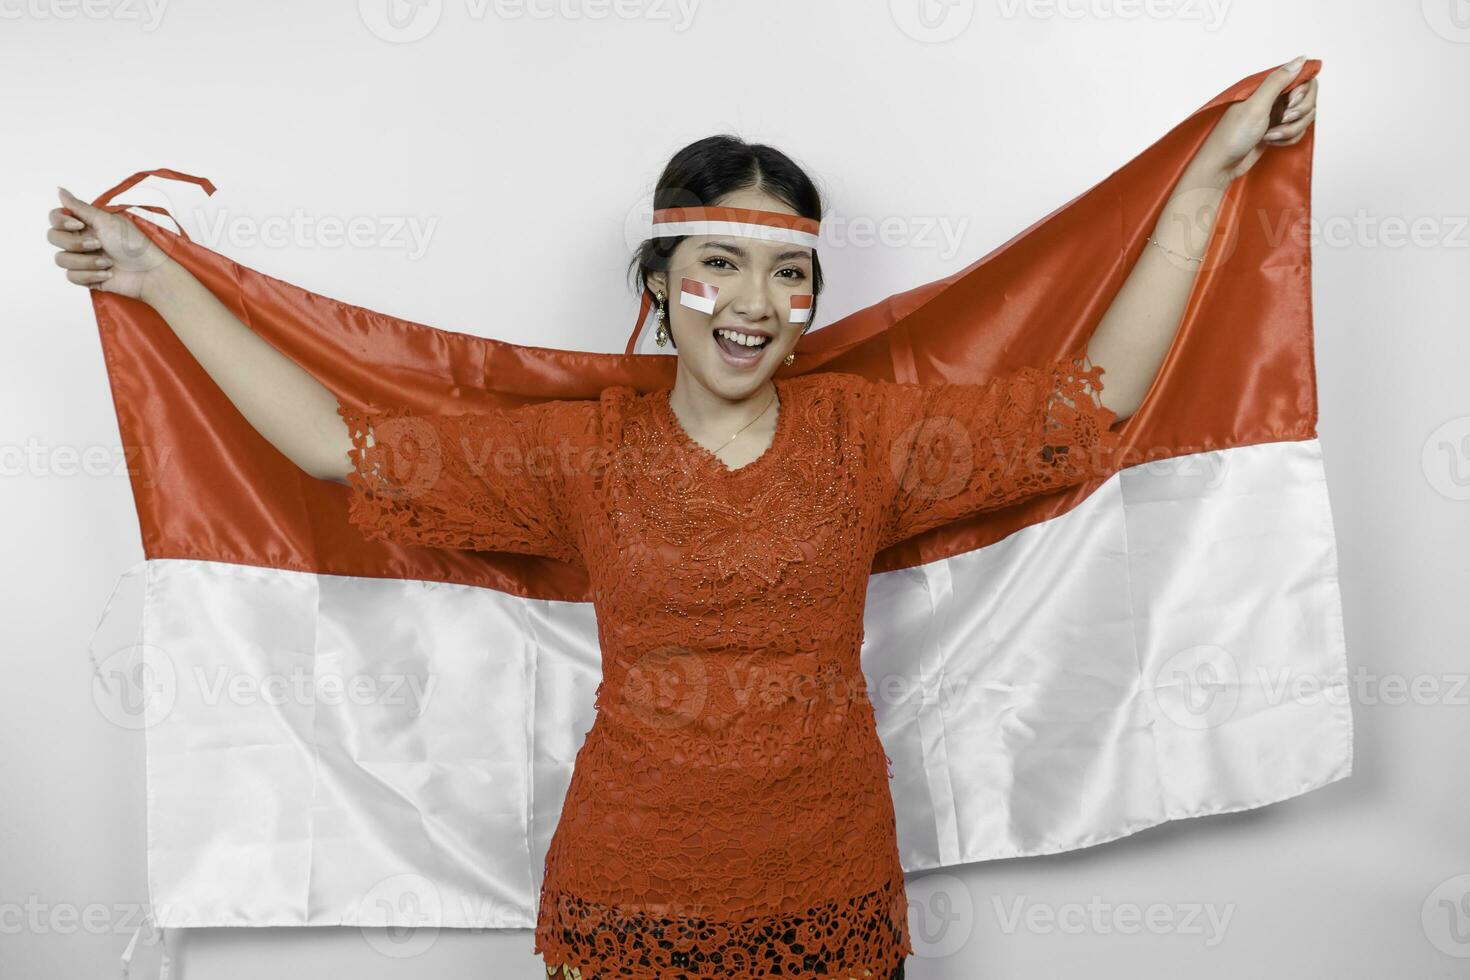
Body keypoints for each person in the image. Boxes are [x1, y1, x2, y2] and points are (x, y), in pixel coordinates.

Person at [48, 57, 1316, 980]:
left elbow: (1086, 411)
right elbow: (341, 446)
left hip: (830, 879)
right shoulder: (580, 454)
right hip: (626, 886)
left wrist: (1209, 169)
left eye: (790, 271)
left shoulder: (868, 438)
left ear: (813, 300)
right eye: (720, 260)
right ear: (660, 285)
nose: (754, 297)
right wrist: (158, 277)